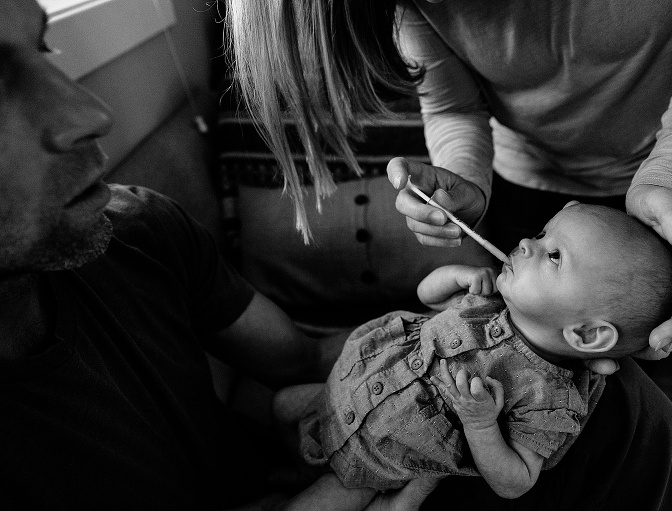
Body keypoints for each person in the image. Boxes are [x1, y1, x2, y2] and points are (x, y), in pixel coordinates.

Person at [0, 1, 442, 509]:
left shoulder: (142, 231)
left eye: (42, 48)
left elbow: (301, 357)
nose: (92, 115)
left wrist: (449, 331)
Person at [226, 0, 672, 362]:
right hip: (519, 173)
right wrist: (464, 178)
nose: (527, 245)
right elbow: (453, 105)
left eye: (554, 255)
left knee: (643, 347)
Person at [271, 203, 672, 508]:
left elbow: (516, 481)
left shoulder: (550, 398)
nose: (526, 243)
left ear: (587, 333)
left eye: (554, 256)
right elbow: (423, 297)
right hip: (342, 390)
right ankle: (292, 463)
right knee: (279, 405)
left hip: (370, 463)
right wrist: (453, 277)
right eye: (541, 234)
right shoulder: (489, 300)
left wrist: (481, 423)